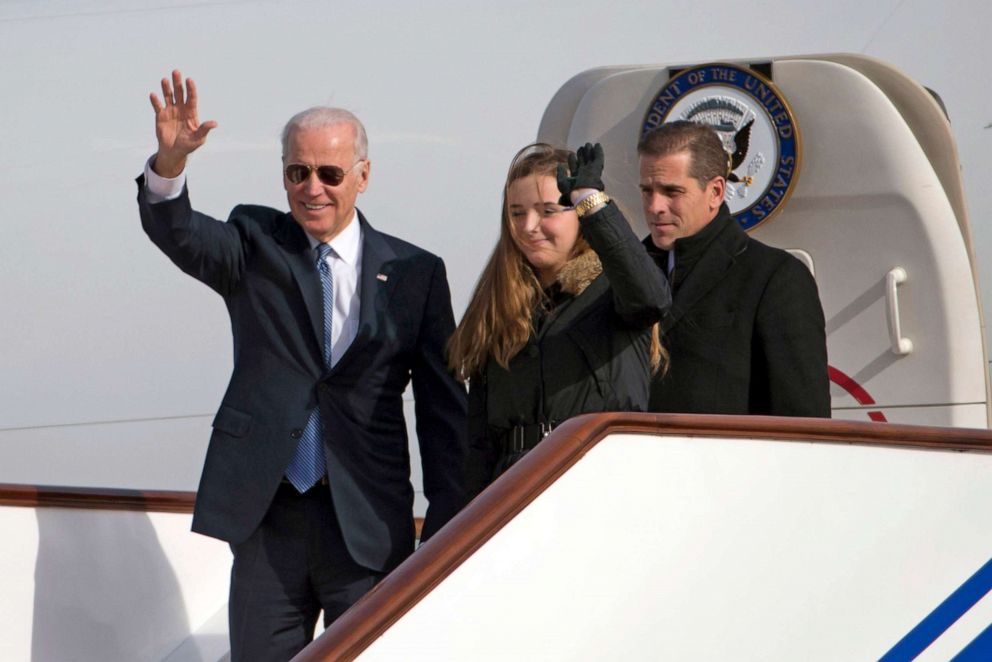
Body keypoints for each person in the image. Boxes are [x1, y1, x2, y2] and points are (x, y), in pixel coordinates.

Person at [136, 71, 466, 660]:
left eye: (330, 174)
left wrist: (445, 528)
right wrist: (169, 163)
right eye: (298, 172)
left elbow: (443, 414)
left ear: (362, 177)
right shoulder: (254, 242)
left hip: (367, 523)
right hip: (268, 518)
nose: (312, 188)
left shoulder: (417, 273)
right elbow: (178, 230)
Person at [449, 143, 671, 498]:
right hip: (512, 491)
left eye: (547, 211)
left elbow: (652, 298)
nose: (529, 226)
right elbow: (479, 442)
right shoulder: (497, 304)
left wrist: (591, 201)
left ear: (579, 216)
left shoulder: (615, 288)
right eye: (517, 213)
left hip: (600, 483)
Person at [637, 120, 830, 416]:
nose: (655, 206)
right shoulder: (622, 274)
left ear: (715, 192)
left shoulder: (774, 277)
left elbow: (803, 420)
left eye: (672, 192)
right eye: (647, 191)